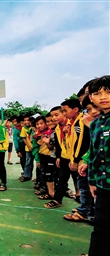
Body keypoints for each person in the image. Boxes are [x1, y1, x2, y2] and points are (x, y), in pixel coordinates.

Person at [83, 75, 110, 255]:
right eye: (97, 93)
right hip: (103, 186)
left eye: (108, 92)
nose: (103, 97)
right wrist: (92, 181)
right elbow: (94, 154)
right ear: (91, 98)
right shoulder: (96, 124)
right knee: (100, 228)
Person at [63, 95, 99, 222]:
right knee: (87, 187)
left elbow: (83, 142)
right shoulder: (76, 122)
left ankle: (84, 211)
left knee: (85, 187)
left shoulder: (84, 121)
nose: (93, 111)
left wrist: (77, 159)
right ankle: (89, 209)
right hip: (85, 158)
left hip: (84, 159)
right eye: (89, 108)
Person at [31, 116, 55, 200]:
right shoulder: (36, 135)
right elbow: (35, 148)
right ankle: (44, 189)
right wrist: (37, 159)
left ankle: (52, 191)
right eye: (37, 124)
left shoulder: (52, 132)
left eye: (41, 123)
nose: (39, 126)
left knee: (52, 174)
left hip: (52, 156)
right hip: (42, 156)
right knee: (42, 172)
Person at [19, 115, 34, 183]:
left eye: (28, 120)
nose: (26, 122)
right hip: (28, 149)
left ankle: (38, 178)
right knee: (28, 162)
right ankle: (27, 175)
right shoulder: (24, 128)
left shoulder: (34, 127)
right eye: (24, 120)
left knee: (38, 163)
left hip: (36, 149)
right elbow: (24, 138)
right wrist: (28, 146)